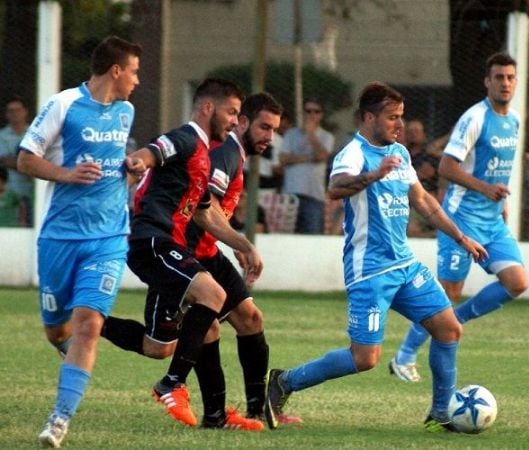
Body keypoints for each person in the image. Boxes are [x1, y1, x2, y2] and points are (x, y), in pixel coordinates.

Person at [264, 81, 487, 432]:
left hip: (404, 264)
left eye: (401, 117)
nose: (399, 124)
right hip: (369, 271)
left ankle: (442, 413)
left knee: (448, 329)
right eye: (392, 117)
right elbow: (335, 188)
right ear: (369, 117)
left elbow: (424, 202)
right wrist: (373, 175)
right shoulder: (353, 153)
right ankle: (285, 382)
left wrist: (461, 237)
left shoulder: (400, 152)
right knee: (364, 358)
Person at [101, 93, 291, 430]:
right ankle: (93, 324)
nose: (269, 136)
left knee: (247, 318)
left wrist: (241, 243)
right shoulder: (220, 152)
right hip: (178, 249)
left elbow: (204, 209)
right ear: (240, 121)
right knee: (163, 343)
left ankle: (250, 410)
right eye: (263, 126)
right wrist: (138, 163)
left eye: (274, 129)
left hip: (204, 252)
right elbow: (200, 201)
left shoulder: (214, 155)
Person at [16, 36, 146, 449]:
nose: (138, 80)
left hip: (108, 238)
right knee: (57, 330)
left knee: (89, 325)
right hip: (60, 237)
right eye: (135, 71)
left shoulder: (126, 111)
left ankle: (59, 419)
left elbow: (117, 167)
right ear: (116, 70)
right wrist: (67, 174)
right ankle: (67, 351)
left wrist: (133, 168)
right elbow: (25, 158)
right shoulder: (64, 105)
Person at [389, 52, 529, 383]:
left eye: (510, 77)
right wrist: (484, 188)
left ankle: (455, 322)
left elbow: (499, 168)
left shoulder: (515, 120)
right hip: (461, 218)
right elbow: (446, 167)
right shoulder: (475, 118)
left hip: (491, 220)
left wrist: (499, 200)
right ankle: (404, 356)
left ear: (516, 81)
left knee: (517, 283)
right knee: (447, 293)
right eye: (499, 77)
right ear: (487, 82)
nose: (505, 83)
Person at [279, 98, 334, 234]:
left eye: (316, 111)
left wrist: (311, 134)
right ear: (303, 113)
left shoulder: (327, 136)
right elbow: (283, 159)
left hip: (314, 195)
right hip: (291, 193)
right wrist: (310, 158)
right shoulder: (291, 134)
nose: (312, 114)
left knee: (313, 236)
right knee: (287, 236)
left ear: (321, 115)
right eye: (308, 111)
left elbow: (323, 156)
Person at [0, 96, 32, 226]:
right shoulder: (1, 135)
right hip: (8, 194)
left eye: (18, 109)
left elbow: (41, 161)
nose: (14, 113)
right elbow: (2, 161)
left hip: (31, 192)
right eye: (10, 111)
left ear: (25, 111)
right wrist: (27, 164)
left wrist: (12, 162)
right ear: (6, 114)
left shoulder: (35, 133)